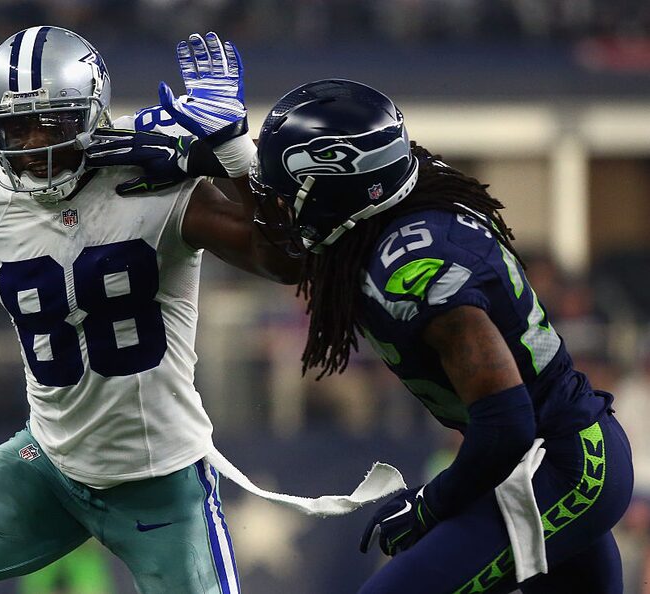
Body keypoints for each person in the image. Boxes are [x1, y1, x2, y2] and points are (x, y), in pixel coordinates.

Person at [0, 26, 298, 594]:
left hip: (159, 480)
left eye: (49, 122)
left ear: (92, 115)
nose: (31, 144)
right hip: (48, 463)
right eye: (14, 127)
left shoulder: (153, 175)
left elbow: (285, 261)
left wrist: (235, 153)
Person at [242, 79, 633, 593]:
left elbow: (507, 421)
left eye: (292, 191)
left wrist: (431, 503)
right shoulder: (399, 197)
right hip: (541, 458)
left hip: (556, 463)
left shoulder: (415, 268)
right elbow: (275, 244)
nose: (281, 205)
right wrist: (215, 150)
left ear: (339, 187)